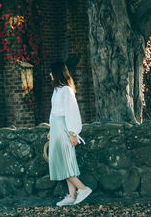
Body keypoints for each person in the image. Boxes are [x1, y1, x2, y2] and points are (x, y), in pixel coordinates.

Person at [47, 61, 92, 206]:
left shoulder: (66, 90)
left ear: (57, 73)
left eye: (51, 72)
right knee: (62, 161)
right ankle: (72, 195)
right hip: (56, 128)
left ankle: (83, 189)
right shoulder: (57, 90)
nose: (50, 74)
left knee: (65, 162)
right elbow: (54, 112)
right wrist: (51, 130)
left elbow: (72, 111)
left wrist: (73, 133)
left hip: (64, 129)